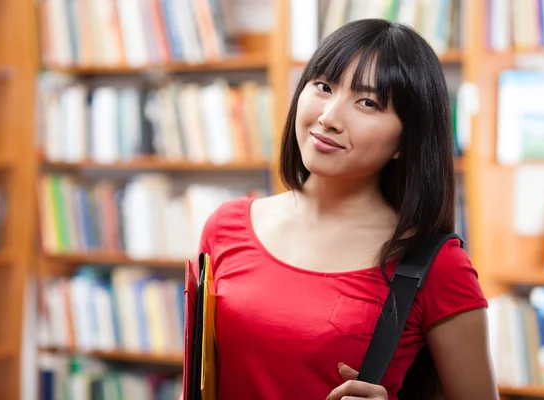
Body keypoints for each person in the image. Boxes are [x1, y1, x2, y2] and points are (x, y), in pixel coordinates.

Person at [187, 19, 498, 400]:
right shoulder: (225, 227)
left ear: (406, 140)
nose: (329, 118)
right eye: (323, 86)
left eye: (368, 103)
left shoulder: (437, 265)